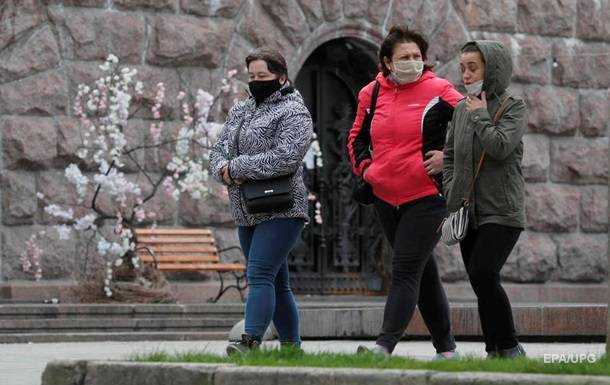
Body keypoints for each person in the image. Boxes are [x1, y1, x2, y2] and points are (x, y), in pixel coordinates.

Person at [347, 25, 463, 359]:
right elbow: (356, 138)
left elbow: (474, 128)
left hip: (427, 197)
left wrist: (448, 158)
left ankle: (383, 347)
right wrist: (368, 170)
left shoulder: (440, 89)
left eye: (417, 56)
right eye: (404, 57)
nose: (413, 61)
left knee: (405, 269)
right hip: (385, 197)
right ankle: (447, 350)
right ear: (387, 61)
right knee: (423, 274)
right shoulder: (371, 93)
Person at [209, 47, 313, 355]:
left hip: (283, 208)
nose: (256, 81)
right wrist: (223, 170)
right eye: (252, 76)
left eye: (263, 76)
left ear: (281, 77)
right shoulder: (241, 110)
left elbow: (287, 157)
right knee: (277, 282)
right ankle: (292, 349)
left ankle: (250, 341)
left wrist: (238, 168)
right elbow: (218, 151)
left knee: (259, 274)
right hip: (247, 209)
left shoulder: (294, 111)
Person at [443, 40, 528, 359]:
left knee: (483, 272)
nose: (465, 74)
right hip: (468, 211)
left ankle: (509, 345)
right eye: (462, 67)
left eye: (473, 67)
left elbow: (501, 147)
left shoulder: (512, 106)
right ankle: (495, 349)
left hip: (502, 210)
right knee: (481, 281)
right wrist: (451, 190)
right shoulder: (462, 109)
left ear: (491, 69)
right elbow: (451, 154)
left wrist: (480, 115)